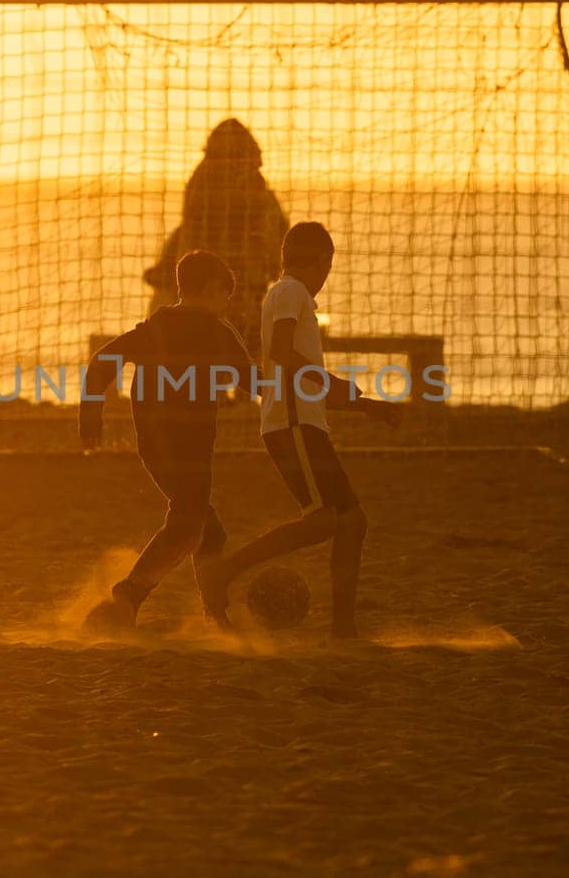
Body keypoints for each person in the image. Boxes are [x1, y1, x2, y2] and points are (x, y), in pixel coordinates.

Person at [196, 222, 399, 639]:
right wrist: (335, 385)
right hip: (291, 425)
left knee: (352, 522)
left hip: (304, 422)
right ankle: (224, 573)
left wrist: (363, 406)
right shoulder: (291, 291)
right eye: (329, 265)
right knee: (324, 521)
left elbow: (298, 372)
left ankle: (343, 630)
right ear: (324, 262)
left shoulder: (291, 293)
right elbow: (281, 352)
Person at [79, 250, 258, 629]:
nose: (226, 305)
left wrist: (90, 417)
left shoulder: (154, 328)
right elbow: (256, 384)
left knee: (208, 530)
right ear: (211, 289)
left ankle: (215, 615)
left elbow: (101, 362)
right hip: (191, 447)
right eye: (224, 296)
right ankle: (130, 593)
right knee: (188, 522)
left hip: (153, 447)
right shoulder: (217, 332)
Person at [145, 120, 288, 353]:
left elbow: (270, 260)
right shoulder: (200, 203)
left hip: (237, 308)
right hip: (208, 313)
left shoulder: (261, 204)